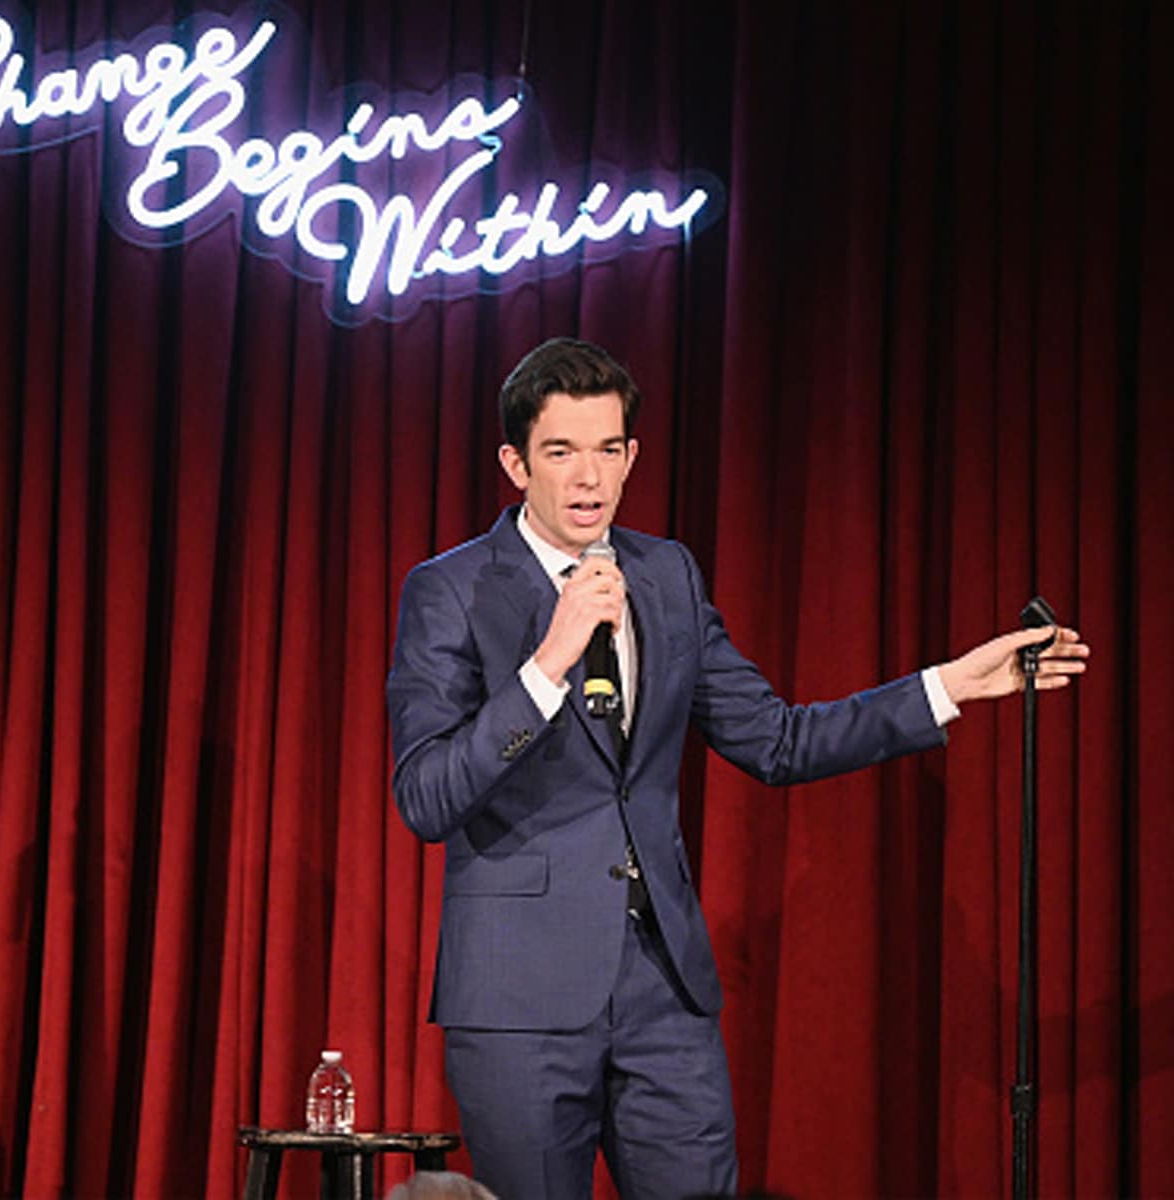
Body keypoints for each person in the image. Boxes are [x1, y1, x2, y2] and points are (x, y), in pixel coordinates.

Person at [386, 338, 1089, 1200]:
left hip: (663, 994)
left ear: (632, 456)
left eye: (608, 450)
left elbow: (775, 741)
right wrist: (548, 663)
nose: (587, 478)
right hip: (519, 1003)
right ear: (515, 463)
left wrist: (945, 687)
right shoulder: (450, 590)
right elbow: (425, 796)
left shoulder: (667, 574)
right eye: (561, 452)